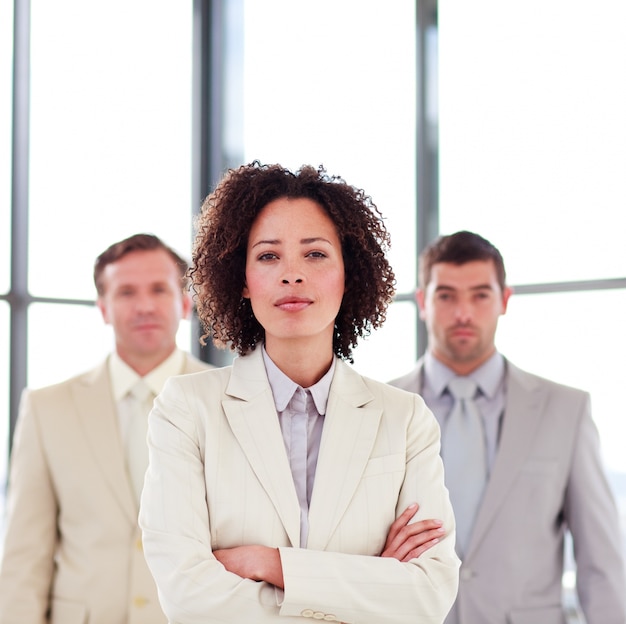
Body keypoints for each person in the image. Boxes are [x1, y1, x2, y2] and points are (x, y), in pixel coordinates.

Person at [138, 162, 460, 624]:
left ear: (348, 275)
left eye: (315, 254)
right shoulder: (187, 410)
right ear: (243, 280)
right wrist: (370, 582)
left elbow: (428, 595)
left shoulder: (404, 418)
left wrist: (272, 565)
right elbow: (189, 597)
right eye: (268, 256)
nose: (292, 274)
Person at [389, 230, 626, 624]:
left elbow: (600, 563)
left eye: (480, 295)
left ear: (504, 300)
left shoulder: (566, 410)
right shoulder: (380, 409)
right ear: (423, 303)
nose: (463, 313)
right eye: (446, 295)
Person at [0, 233, 211, 624]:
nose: (144, 305)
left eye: (159, 290)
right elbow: (24, 555)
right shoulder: (47, 408)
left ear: (185, 303)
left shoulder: (228, 401)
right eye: (126, 292)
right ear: (103, 308)